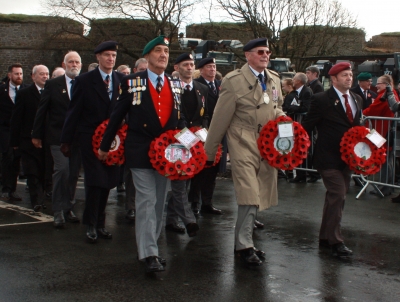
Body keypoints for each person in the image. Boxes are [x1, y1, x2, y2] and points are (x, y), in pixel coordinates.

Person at [98, 36, 189, 273]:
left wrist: (196, 142)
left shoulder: (175, 84)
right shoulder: (132, 82)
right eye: (158, 50)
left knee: (159, 202)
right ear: (147, 56)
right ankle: (148, 253)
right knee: (147, 201)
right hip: (140, 152)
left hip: (166, 155)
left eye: (166, 51)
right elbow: (116, 116)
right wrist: (105, 146)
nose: (163, 55)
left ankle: (152, 249)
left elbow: (180, 121)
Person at [204, 38, 284, 266]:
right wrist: (209, 152)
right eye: (260, 52)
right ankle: (244, 245)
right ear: (248, 55)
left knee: (258, 193)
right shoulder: (233, 81)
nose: (265, 55)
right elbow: (220, 118)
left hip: (266, 142)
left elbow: (276, 107)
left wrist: (284, 119)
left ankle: (246, 242)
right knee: (249, 193)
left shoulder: (274, 79)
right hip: (242, 140)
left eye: (267, 52)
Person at [60, 41, 125, 243]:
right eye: (106, 55)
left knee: (107, 182)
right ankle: (91, 224)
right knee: (95, 180)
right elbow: (74, 112)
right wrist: (66, 140)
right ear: (98, 57)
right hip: (90, 139)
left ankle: (100, 223)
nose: (110, 59)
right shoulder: (85, 80)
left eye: (113, 55)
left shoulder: (122, 79)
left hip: (114, 141)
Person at [302, 62, 363, 258]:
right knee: (338, 194)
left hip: (347, 158)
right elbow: (307, 126)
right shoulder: (321, 99)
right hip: (327, 157)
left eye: (351, 75)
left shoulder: (357, 98)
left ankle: (325, 237)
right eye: (344, 75)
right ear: (334, 79)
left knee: (334, 198)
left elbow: (357, 127)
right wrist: (298, 149)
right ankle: (336, 241)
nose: (349, 78)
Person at [32, 51, 83, 228]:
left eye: (77, 62)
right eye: (71, 62)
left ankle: (69, 206)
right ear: (64, 64)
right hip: (57, 137)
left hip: (78, 138)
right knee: (62, 170)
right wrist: (36, 134)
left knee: (74, 173)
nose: (74, 65)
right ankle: (58, 210)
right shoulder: (53, 84)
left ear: (81, 66)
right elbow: (42, 110)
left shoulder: (84, 84)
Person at [164, 53, 206, 234]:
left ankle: (171, 220)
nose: (190, 68)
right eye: (186, 65)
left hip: (195, 141)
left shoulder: (201, 88)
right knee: (179, 180)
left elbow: (206, 114)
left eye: (192, 64)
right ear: (176, 68)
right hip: (177, 140)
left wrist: (203, 131)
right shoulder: (169, 87)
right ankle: (189, 220)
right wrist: (184, 133)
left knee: (186, 179)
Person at [10, 65, 49, 211]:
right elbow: (17, 118)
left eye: (47, 74)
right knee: (32, 173)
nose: (45, 76)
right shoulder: (25, 93)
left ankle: (42, 197)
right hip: (28, 140)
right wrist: (14, 142)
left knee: (44, 171)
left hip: (46, 139)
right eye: (41, 74)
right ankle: (36, 200)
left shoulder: (51, 92)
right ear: (33, 76)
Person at [188, 57, 223, 216]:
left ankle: (207, 203)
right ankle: (194, 203)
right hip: (201, 131)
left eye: (214, 66)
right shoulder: (198, 86)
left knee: (212, 169)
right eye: (209, 67)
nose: (212, 69)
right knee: (198, 169)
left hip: (219, 131)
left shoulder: (219, 86)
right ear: (201, 70)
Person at [364, 75, 400, 197]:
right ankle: (386, 186)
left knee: (385, 160)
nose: (376, 85)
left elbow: (372, 110)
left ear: (386, 84)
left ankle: (385, 187)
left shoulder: (385, 96)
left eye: (378, 83)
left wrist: (361, 114)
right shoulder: (389, 95)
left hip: (382, 132)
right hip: (383, 131)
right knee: (387, 160)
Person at [0, 63, 27, 202]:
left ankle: (13, 189)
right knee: (7, 156)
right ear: (10, 75)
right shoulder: (2, 90)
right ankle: (5, 187)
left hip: (20, 130)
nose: (19, 76)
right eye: (16, 74)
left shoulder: (25, 90)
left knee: (17, 158)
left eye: (21, 74)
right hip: (5, 129)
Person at [287, 72, 317, 183]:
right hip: (298, 124)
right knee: (299, 149)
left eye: (294, 79)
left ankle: (312, 173)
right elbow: (289, 105)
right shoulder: (296, 92)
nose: (292, 81)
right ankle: (301, 174)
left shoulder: (307, 92)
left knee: (306, 150)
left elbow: (305, 107)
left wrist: (294, 108)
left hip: (305, 125)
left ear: (299, 81)